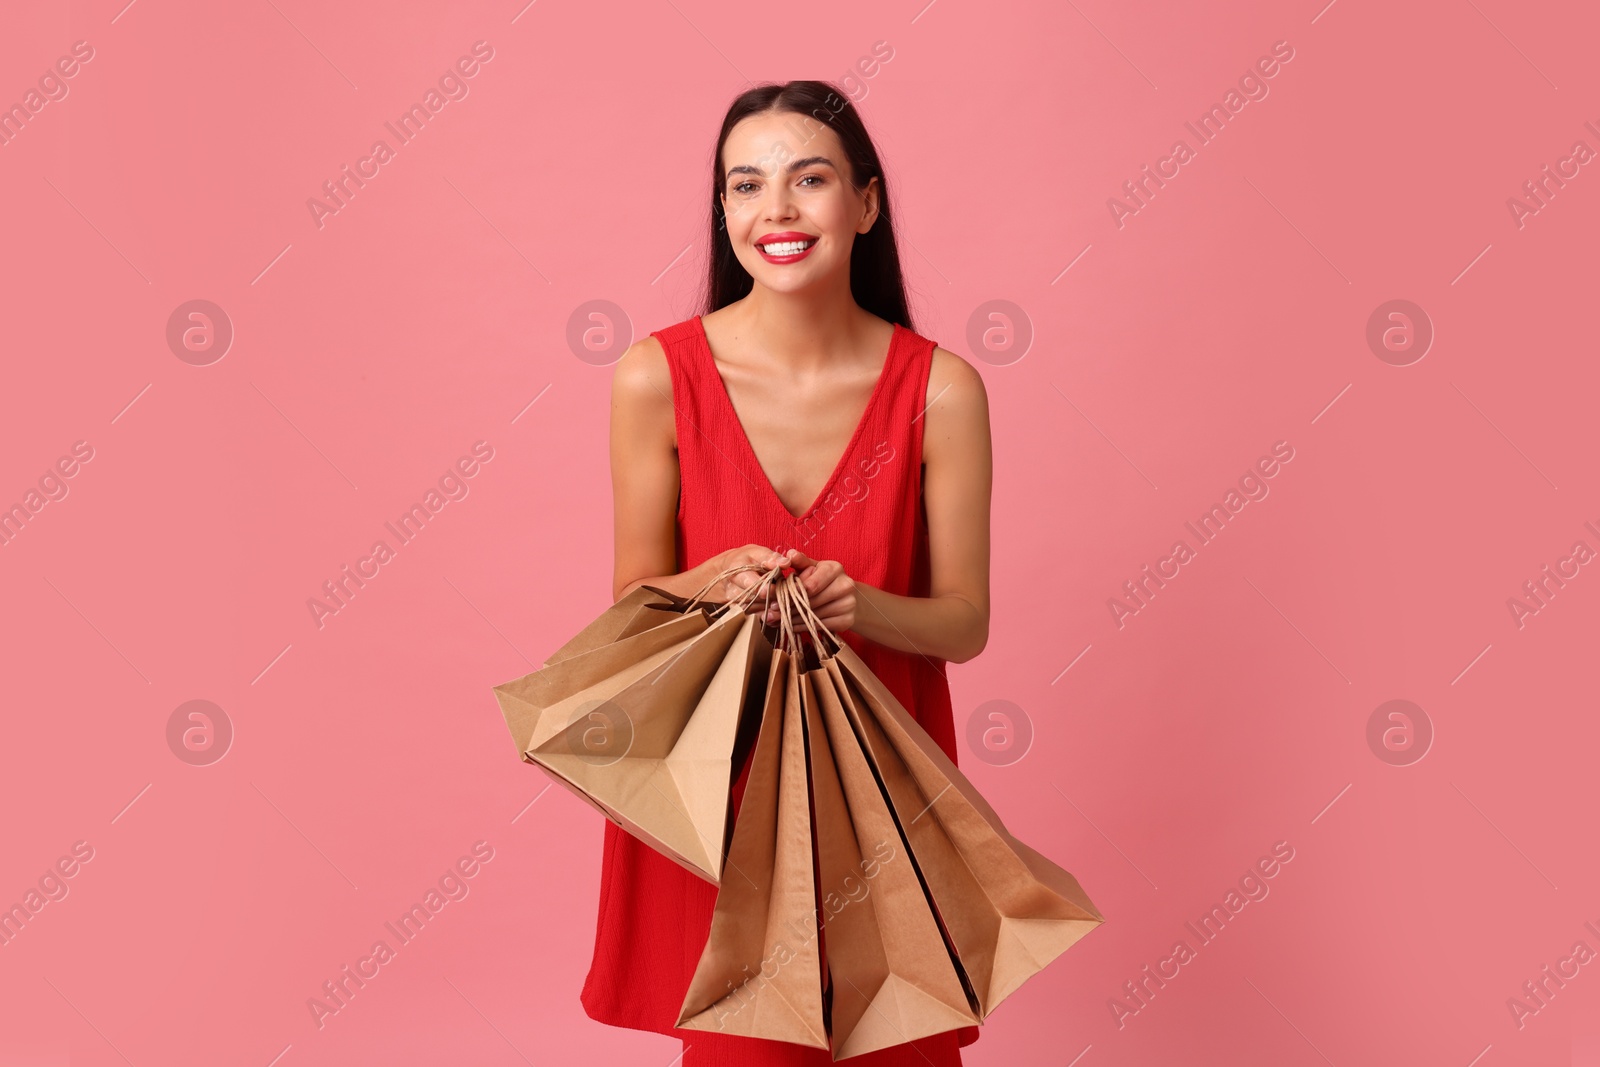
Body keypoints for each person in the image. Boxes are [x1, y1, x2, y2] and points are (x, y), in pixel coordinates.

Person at [589, 78, 993, 1066]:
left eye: (808, 179)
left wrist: (865, 604)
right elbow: (631, 605)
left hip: (884, 798)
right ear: (723, 209)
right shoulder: (654, 375)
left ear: (864, 202)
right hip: (730, 796)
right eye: (744, 185)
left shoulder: (940, 388)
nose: (774, 209)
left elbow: (965, 622)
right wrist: (709, 581)